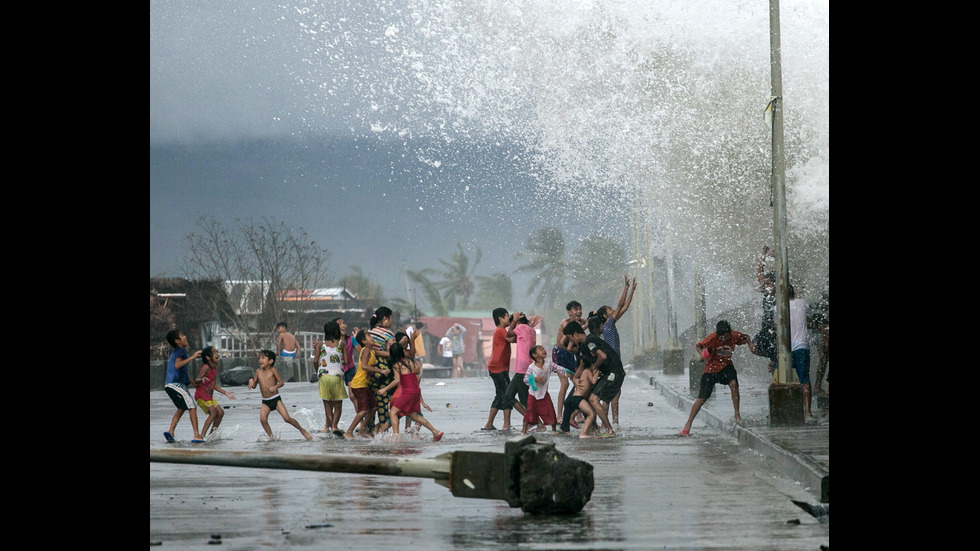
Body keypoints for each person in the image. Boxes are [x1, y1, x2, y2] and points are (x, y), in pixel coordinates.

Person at [680, 320, 758, 436]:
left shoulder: (734, 335)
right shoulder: (712, 338)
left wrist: (750, 344)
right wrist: (702, 354)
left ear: (729, 333)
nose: (722, 338)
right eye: (720, 336)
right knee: (702, 398)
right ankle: (688, 425)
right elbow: (698, 346)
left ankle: (737, 414)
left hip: (726, 366)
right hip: (711, 370)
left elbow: (746, 337)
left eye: (725, 336)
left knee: (733, 384)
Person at [769, 284, 815, 420]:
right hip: (802, 346)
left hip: (785, 350)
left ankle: (779, 412)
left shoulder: (778, 308)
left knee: (780, 379)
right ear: (794, 292)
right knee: (804, 379)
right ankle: (807, 412)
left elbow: (777, 328)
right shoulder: (802, 303)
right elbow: (810, 321)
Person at [383, 342, 445, 441]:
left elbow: (397, 380)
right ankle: (435, 432)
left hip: (407, 392)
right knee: (414, 415)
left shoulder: (396, 365)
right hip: (415, 391)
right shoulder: (410, 362)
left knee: (393, 412)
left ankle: (396, 436)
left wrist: (385, 389)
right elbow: (415, 375)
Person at [247, 350, 313, 441]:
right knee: (263, 419)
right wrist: (251, 381)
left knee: (287, 418)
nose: (260, 360)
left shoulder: (273, 370)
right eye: (259, 358)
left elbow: (281, 383)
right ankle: (271, 437)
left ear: (270, 361)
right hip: (265, 401)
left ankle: (302, 430)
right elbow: (254, 386)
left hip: (276, 399)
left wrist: (275, 386)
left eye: (263, 358)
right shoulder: (258, 372)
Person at [598, 274, 637, 425]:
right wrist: (626, 287)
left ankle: (610, 422)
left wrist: (632, 290)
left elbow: (625, 307)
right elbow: (621, 305)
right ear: (604, 315)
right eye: (610, 310)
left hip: (614, 362)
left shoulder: (609, 325)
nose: (614, 310)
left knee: (612, 393)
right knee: (613, 394)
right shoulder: (608, 325)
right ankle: (611, 423)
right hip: (612, 363)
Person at [577, 315, 625, 437]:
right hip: (611, 373)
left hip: (614, 373)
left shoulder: (590, 340)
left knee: (594, 399)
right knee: (590, 398)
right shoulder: (590, 341)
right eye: (602, 325)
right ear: (599, 327)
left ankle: (609, 430)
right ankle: (596, 428)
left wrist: (595, 367)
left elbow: (602, 356)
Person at [163, 329, 205, 443]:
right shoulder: (181, 350)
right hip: (176, 384)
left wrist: (193, 383)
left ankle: (170, 431)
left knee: (181, 408)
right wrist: (193, 357)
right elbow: (177, 365)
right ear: (177, 341)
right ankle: (197, 435)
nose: (185, 336)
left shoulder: (177, 352)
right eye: (182, 335)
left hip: (170, 385)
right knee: (192, 406)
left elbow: (183, 372)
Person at [344, 330, 386, 439]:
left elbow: (386, 353)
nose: (372, 338)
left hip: (364, 385)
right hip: (359, 384)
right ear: (364, 341)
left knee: (373, 408)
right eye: (369, 336)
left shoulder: (371, 350)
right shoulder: (366, 350)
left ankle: (362, 430)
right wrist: (380, 370)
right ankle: (349, 431)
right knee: (364, 410)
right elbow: (364, 366)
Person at [481, 308, 518, 430]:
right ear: (500, 319)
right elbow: (511, 338)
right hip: (498, 368)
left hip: (497, 367)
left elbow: (515, 339)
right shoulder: (501, 330)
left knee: (500, 395)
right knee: (508, 395)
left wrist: (526, 327)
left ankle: (489, 424)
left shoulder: (501, 330)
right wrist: (515, 323)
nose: (509, 319)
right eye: (508, 317)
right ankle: (506, 424)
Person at [503, 311, 541, 418]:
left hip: (522, 369)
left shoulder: (521, 328)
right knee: (512, 396)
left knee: (519, 398)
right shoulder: (530, 330)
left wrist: (514, 320)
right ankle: (532, 420)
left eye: (514, 324)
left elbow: (508, 334)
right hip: (526, 368)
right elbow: (513, 340)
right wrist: (529, 324)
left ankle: (536, 422)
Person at [553, 300, 586, 423]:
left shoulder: (579, 322)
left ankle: (577, 413)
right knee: (565, 384)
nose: (579, 311)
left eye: (580, 309)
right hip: (560, 354)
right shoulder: (565, 323)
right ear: (569, 312)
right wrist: (584, 326)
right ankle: (559, 415)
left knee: (578, 383)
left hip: (571, 354)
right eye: (575, 309)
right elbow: (563, 342)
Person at [314, 320, 348, 435]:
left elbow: (315, 360)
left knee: (327, 404)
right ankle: (334, 426)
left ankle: (327, 427)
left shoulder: (320, 344)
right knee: (338, 405)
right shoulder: (341, 344)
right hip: (336, 377)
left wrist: (318, 371)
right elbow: (347, 361)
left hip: (323, 376)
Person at [194, 346, 236, 437]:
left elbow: (213, 385)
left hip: (208, 396)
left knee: (220, 412)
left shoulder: (214, 368)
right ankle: (202, 436)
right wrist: (201, 380)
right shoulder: (205, 368)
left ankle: (211, 435)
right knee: (213, 413)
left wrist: (225, 393)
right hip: (201, 396)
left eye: (217, 351)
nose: (217, 354)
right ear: (208, 357)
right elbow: (196, 380)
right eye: (214, 352)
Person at [367, 307, 396, 434]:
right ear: (385, 319)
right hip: (382, 368)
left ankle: (369, 429)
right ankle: (383, 431)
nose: (391, 322)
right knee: (383, 401)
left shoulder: (369, 333)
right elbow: (391, 353)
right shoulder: (388, 333)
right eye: (390, 319)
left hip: (370, 368)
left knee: (372, 402)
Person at [751, 247, 778, 370]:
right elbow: (759, 273)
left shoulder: (779, 293)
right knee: (754, 347)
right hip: (766, 326)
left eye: (768, 284)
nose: (765, 286)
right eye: (765, 284)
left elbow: (783, 273)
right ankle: (773, 358)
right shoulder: (766, 293)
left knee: (776, 346)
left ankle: (774, 361)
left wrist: (778, 258)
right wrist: (763, 254)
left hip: (776, 327)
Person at [522, 345, 558, 434]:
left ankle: (554, 429)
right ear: (534, 355)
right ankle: (523, 430)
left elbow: (558, 368)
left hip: (544, 392)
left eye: (543, 348)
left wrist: (567, 371)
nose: (543, 350)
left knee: (549, 409)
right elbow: (525, 379)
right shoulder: (531, 367)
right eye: (540, 349)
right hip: (532, 394)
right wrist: (534, 379)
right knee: (530, 410)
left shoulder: (549, 364)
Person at [810, 289, 830, 398]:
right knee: (823, 357)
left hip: (821, 332)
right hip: (820, 333)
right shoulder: (820, 307)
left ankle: (818, 385)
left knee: (823, 358)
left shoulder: (820, 307)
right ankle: (818, 385)